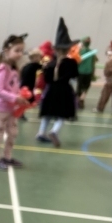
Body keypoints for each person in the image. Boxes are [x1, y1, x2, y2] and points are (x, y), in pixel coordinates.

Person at [36, 18, 79, 148]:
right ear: (68, 49)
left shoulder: (50, 63)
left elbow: (46, 79)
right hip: (64, 91)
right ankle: (54, 131)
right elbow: (75, 76)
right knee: (62, 115)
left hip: (51, 90)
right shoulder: (71, 63)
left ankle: (41, 133)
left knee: (48, 113)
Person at [0, 34, 28, 170]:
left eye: (22, 51)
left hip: (12, 108)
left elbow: (13, 87)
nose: (20, 54)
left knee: (13, 133)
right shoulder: (2, 68)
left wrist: (21, 95)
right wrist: (15, 98)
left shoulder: (14, 68)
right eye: (17, 50)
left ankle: (7, 157)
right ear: (6, 51)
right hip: (1, 108)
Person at [19, 47, 42, 121]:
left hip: (26, 85)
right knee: (27, 101)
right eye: (38, 57)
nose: (39, 58)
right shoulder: (35, 66)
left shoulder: (27, 66)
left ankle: (21, 113)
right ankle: (20, 113)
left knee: (25, 101)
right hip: (27, 86)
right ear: (33, 57)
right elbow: (44, 68)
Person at [76, 36, 98, 109]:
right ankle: (82, 99)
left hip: (80, 72)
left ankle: (78, 101)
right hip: (89, 72)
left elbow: (76, 62)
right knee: (86, 87)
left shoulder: (79, 52)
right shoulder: (92, 53)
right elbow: (94, 62)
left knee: (79, 87)